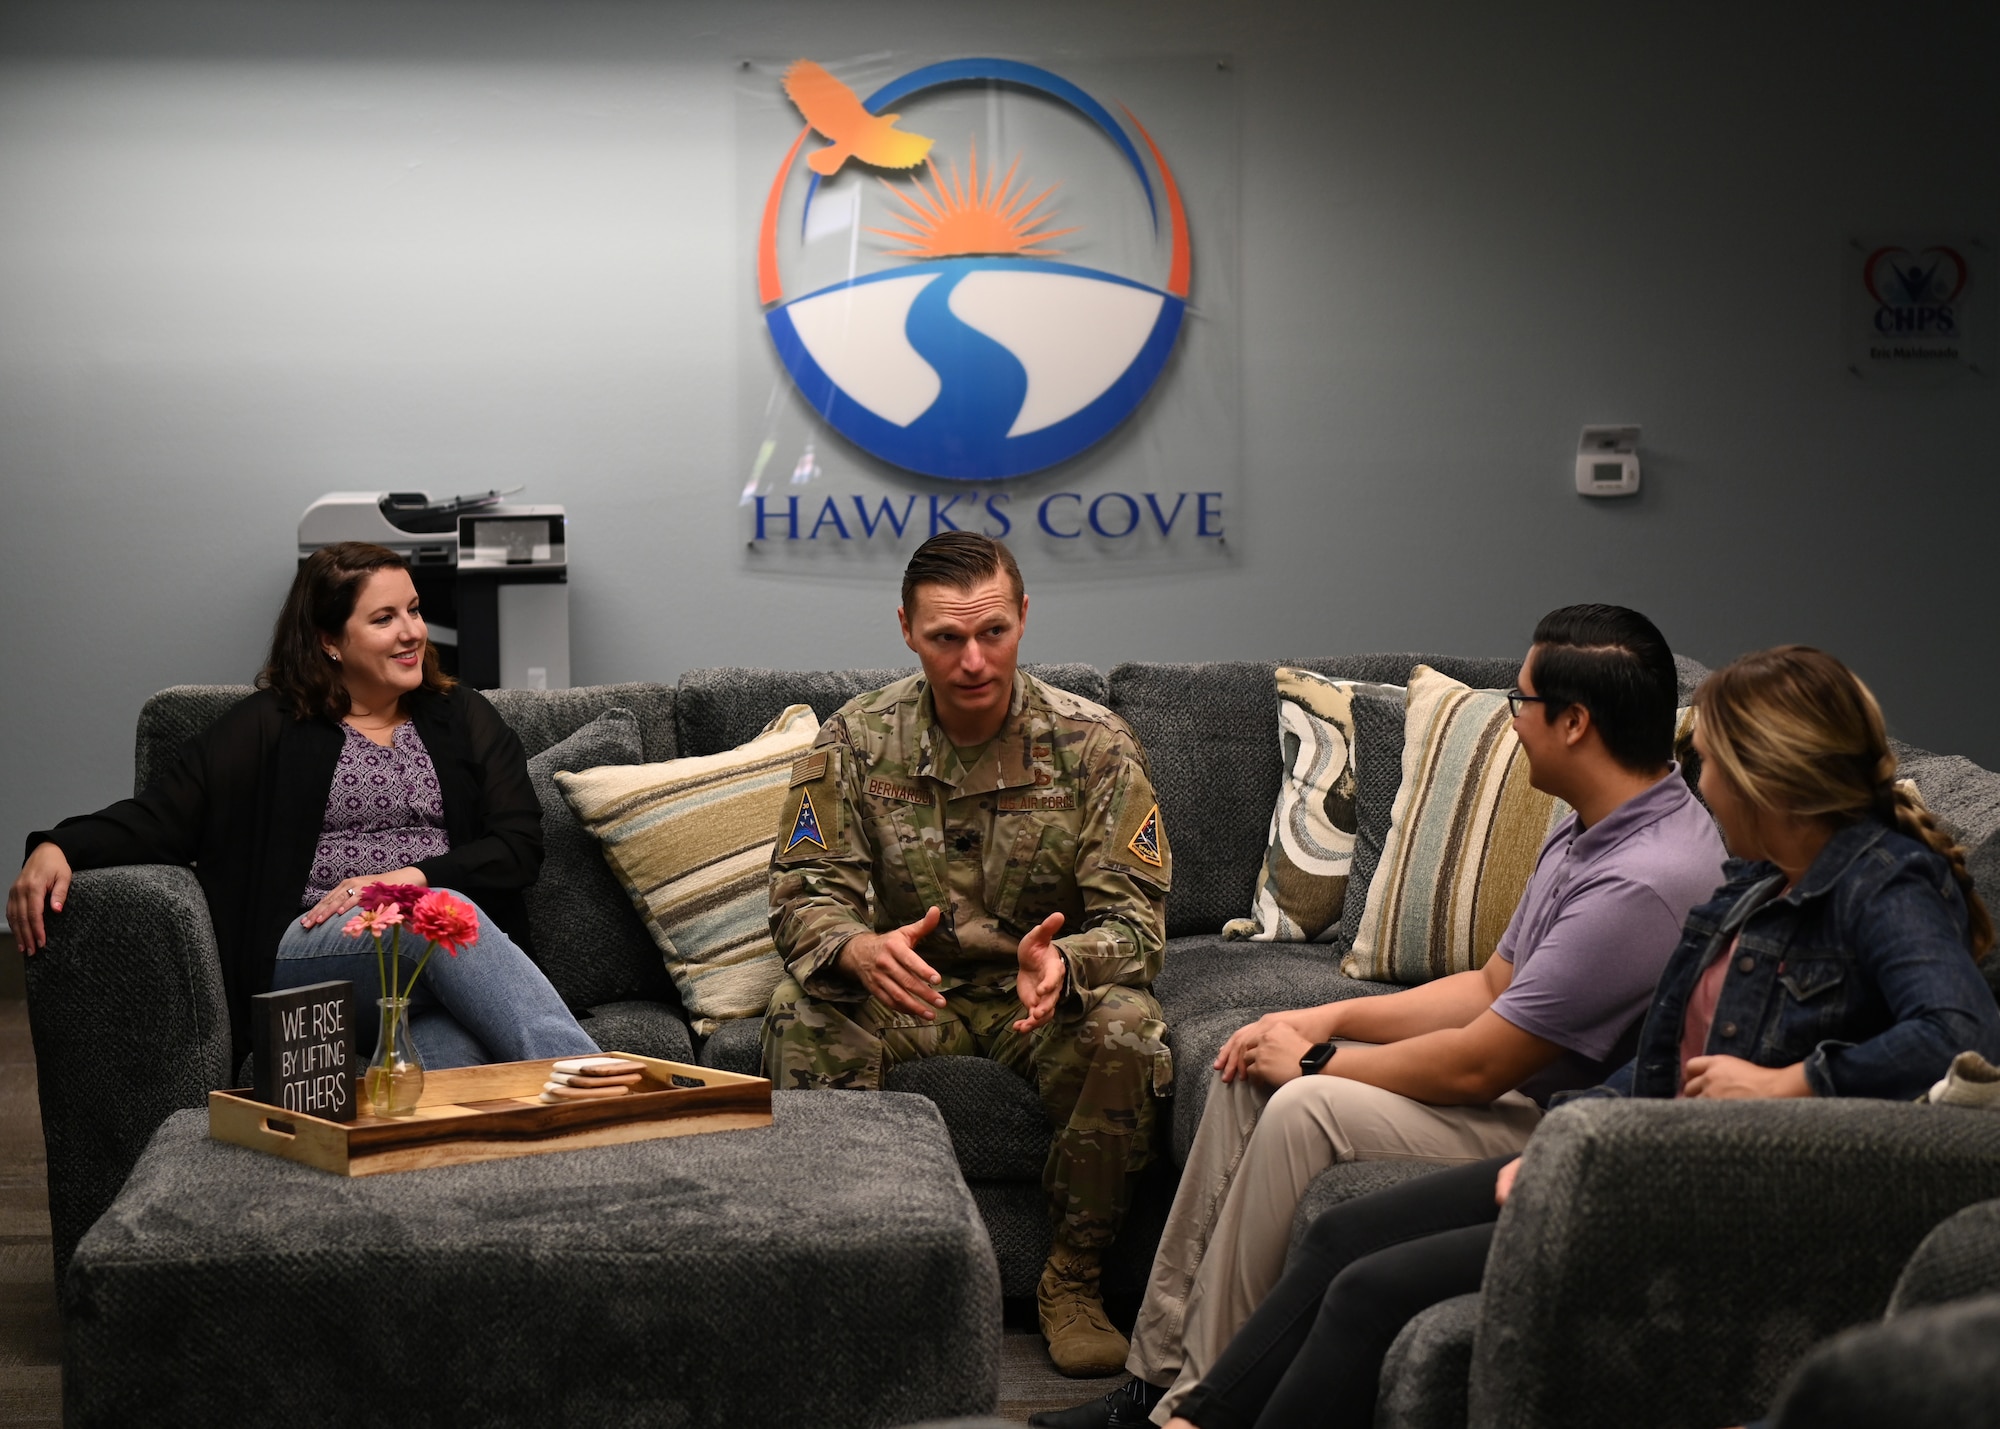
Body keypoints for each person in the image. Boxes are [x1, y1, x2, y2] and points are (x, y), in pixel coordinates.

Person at [1154, 644, 2000, 1429]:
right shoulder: (1751, 886)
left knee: (1370, 1289)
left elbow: (1960, 1034)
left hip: (1710, 1190)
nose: (1694, 786)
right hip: (1627, 1153)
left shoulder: (1885, 881)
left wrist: (1798, 1083)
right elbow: (1656, 1062)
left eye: (1705, 763)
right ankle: (1197, 1417)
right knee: (1343, 1235)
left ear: (1760, 775)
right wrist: (1570, 1138)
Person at [1038, 604, 1729, 1429]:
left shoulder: (1644, 879)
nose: (1513, 720)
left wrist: (1316, 1061)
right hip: (1513, 1082)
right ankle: (1158, 1382)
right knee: (1246, 1060)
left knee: (1302, 1104)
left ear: (1575, 723)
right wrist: (1315, 1021)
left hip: (1553, 1117)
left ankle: (1192, 1409)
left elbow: (1482, 1064)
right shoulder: (1590, 825)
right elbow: (1486, 986)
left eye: (1522, 702)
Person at [764, 531, 1174, 1376]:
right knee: (801, 1012)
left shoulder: (1095, 744)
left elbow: (1137, 921)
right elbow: (803, 890)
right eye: (948, 637)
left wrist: (1071, 965)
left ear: (1025, 617)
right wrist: (857, 946)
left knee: (1128, 1026)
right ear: (908, 631)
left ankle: (1072, 1281)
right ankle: (854, 1282)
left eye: (994, 632)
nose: (974, 659)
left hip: (1040, 1004)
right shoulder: (855, 739)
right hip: (911, 995)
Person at [9, 541, 600, 1073]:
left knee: (453, 1067)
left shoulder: (462, 715)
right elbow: (162, 814)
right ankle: (593, 1079)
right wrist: (60, 844)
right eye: (384, 618)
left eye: (415, 610)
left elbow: (518, 846)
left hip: (430, 957)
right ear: (329, 640)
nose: (412, 632)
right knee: (431, 912)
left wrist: (404, 880)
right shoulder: (271, 727)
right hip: (315, 951)